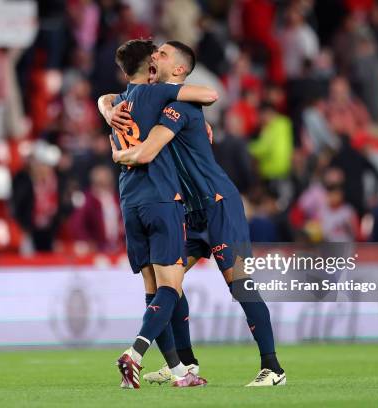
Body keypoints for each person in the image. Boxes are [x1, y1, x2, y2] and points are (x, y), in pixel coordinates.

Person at [105, 41, 286, 387]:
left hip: (218, 205)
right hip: (190, 211)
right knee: (167, 284)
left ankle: (273, 368)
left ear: (177, 71)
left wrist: (119, 156)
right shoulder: (157, 101)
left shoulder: (177, 108)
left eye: (162, 54)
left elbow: (149, 150)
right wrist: (104, 106)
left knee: (240, 286)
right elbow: (115, 96)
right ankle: (185, 365)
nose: (155, 56)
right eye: (154, 53)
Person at [97, 39, 217, 389]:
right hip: (162, 198)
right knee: (172, 286)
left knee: (154, 289)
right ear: (151, 65)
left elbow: (106, 99)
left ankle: (179, 371)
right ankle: (134, 354)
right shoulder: (156, 94)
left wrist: (103, 105)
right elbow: (208, 94)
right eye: (158, 56)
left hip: (129, 201)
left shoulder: (117, 103)